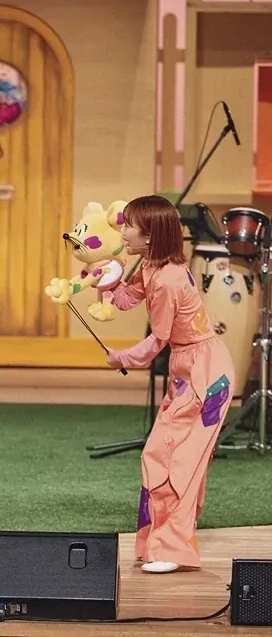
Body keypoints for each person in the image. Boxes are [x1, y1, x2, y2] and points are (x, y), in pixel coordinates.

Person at [105, 194, 234, 574]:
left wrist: (121, 358)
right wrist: (105, 279)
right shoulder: (151, 266)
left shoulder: (168, 280)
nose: (123, 232)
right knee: (159, 455)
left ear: (149, 235)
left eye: (129, 226)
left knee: (179, 461)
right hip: (187, 371)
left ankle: (172, 549)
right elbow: (125, 299)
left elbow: (157, 341)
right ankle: (158, 544)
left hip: (206, 375)